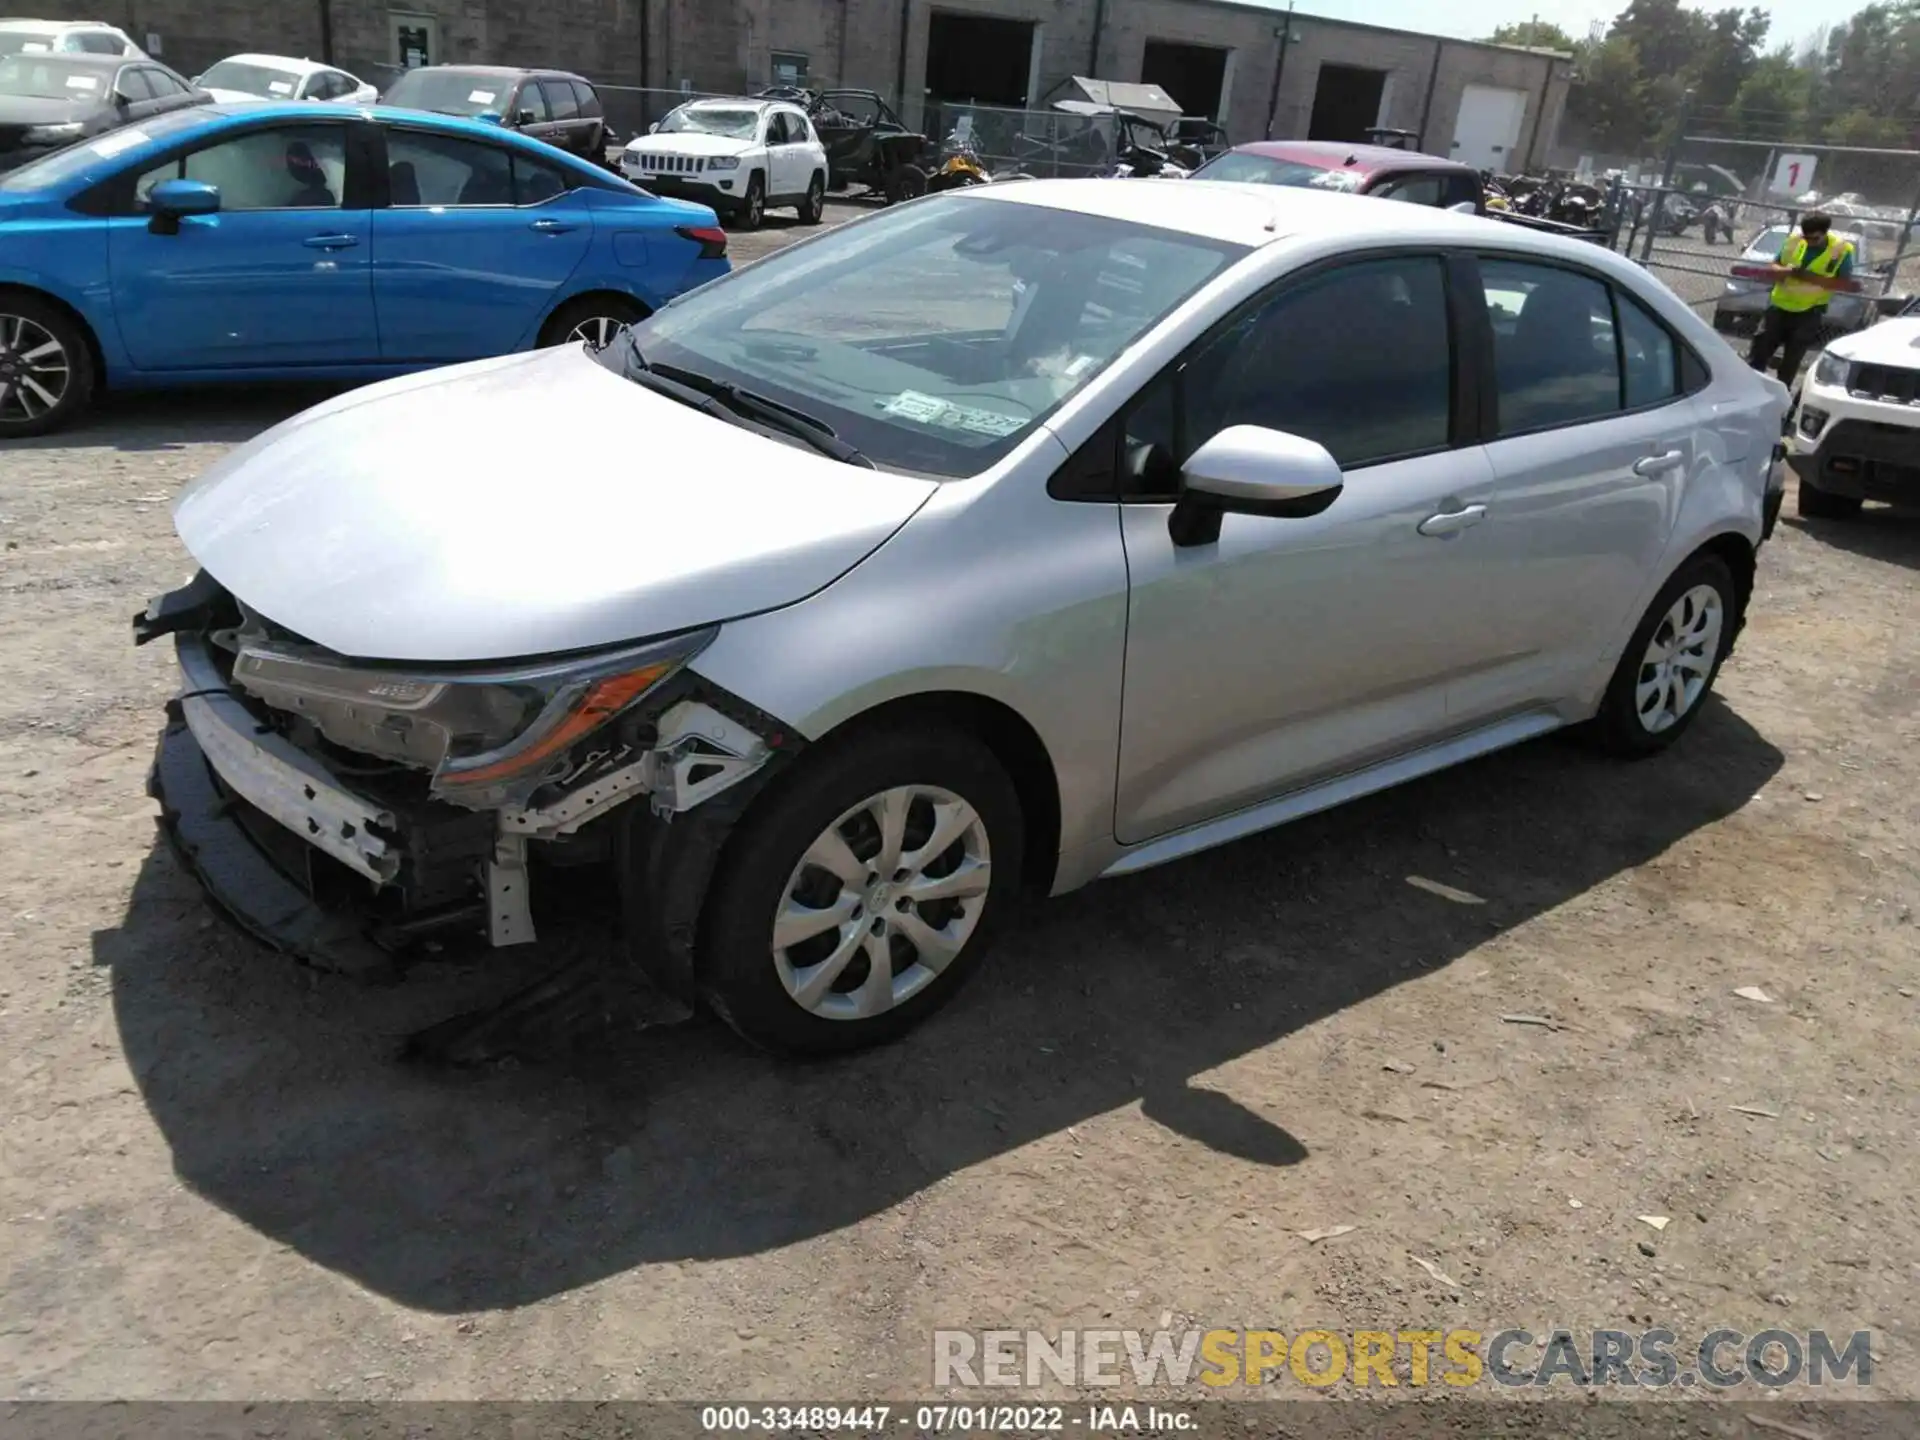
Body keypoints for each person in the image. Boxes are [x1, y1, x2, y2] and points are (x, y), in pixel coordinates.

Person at [1748, 211, 1857, 383]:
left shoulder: (1840, 250)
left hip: (1809, 312)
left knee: (1791, 361)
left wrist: (1808, 277)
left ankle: (1783, 397)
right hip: (1778, 307)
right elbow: (1774, 266)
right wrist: (1786, 271)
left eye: (1814, 238)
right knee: (1758, 354)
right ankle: (1750, 388)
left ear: (1825, 232)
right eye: (1806, 237)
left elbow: (1843, 283)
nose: (1809, 242)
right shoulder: (1794, 241)